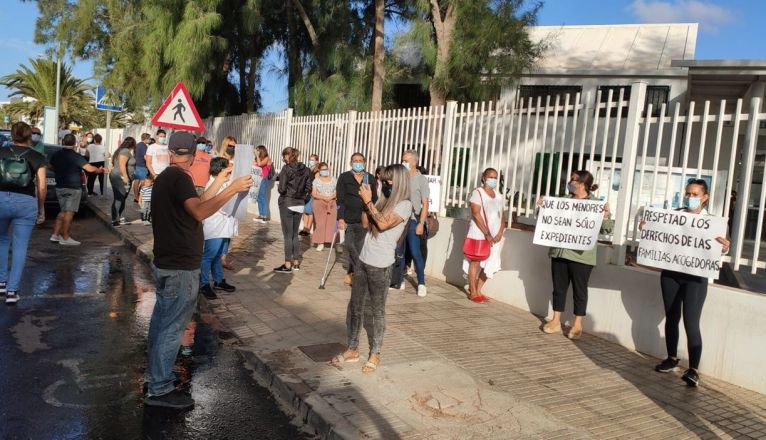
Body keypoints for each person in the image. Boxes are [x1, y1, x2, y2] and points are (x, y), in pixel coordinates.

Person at [145, 131, 252, 409]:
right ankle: (159, 389)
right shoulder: (179, 178)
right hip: (180, 266)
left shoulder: (167, 177)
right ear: (194, 155)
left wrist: (220, 179)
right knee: (172, 327)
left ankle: (155, 377)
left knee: (161, 323)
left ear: (171, 151)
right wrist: (232, 188)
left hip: (167, 262)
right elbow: (200, 212)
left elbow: (197, 202)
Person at [332, 164, 412, 373]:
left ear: (399, 182)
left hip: (381, 265)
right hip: (363, 260)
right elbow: (367, 224)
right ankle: (352, 348)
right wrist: (365, 203)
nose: (385, 184)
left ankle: (375, 353)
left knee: (377, 311)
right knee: (355, 307)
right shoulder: (382, 201)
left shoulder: (404, 205)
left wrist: (369, 202)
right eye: (383, 180)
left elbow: (384, 224)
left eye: (389, 181)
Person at [653, 179, 730, 387]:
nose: (691, 197)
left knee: (691, 321)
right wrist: (648, 228)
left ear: (705, 197)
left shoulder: (714, 223)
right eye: (688, 193)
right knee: (671, 316)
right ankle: (671, 358)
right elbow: (658, 236)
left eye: (695, 194)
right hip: (671, 273)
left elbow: (720, 249)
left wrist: (724, 247)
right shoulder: (674, 215)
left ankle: (694, 369)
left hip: (696, 278)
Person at [539, 170, 612, 340]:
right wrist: (543, 207)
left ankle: (577, 323)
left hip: (582, 257)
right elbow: (547, 221)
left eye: (573, 180)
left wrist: (606, 216)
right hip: (560, 252)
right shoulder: (563, 201)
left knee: (580, 290)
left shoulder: (596, 204)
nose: (570, 182)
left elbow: (607, 229)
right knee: (559, 288)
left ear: (582, 184)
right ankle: (556, 320)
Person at [0, 122, 47, 304]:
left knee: (2, 240)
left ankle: (1, 282)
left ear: (12, 135)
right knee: (20, 246)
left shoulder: (1, 152)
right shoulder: (37, 156)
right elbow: (42, 186)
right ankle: (12, 291)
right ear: (30, 136)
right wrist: (41, 207)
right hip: (26, 202)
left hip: (1, 198)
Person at [49, 134, 105, 245]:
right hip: (73, 188)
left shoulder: (56, 154)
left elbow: (50, 166)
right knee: (69, 213)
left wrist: (60, 171)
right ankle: (65, 238)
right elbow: (89, 168)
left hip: (60, 186)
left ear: (63, 142)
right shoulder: (75, 156)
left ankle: (55, 235)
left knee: (63, 211)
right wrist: (100, 170)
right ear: (75, 143)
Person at [463, 168, 506, 303]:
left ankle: (479, 289)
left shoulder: (498, 195)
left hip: (495, 236)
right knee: (475, 261)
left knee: (491, 262)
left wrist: (499, 232)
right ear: (483, 177)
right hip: (479, 233)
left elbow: (502, 215)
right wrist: (487, 233)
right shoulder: (478, 193)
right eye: (490, 177)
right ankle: (473, 291)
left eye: (495, 177)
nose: (493, 180)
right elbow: (476, 214)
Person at [199, 157, 239, 299]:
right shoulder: (213, 184)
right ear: (221, 170)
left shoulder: (224, 182)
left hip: (224, 227)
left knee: (217, 256)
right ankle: (203, 284)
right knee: (209, 256)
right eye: (227, 168)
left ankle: (218, 281)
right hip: (215, 227)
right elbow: (220, 205)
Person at [336, 153, 378, 286]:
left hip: (365, 218)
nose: (358, 163)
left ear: (364, 162)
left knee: (359, 247)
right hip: (349, 217)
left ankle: (354, 274)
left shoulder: (369, 178)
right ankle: (357, 271)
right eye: (355, 161)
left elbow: (375, 199)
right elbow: (340, 200)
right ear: (350, 163)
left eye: (360, 161)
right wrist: (340, 218)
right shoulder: (344, 177)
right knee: (349, 245)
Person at [274, 147, 312, 273]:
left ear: (287, 156)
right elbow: (309, 188)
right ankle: (296, 262)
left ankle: (287, 264)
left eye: (284, 156)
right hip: (300, 204)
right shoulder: (306, 170)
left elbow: (281, 189)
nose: (283, 158)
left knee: (287, 236)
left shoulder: (287, 168)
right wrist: (302, 199)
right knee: (295, 234)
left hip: (288, 202)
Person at [399, 150, 430, 297]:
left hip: (413, 219)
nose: (404, 162)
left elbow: (425, 203)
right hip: (398, 218)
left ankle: (421, 283)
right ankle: (399, 280)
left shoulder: (421, 179)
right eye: (403, 160)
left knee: (415, 251)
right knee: (399, 251)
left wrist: (421, 223)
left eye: (407, 160)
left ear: (414, 162)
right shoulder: (400, 176)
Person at [108, 137, 136, 226]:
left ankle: (121, 218)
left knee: (122, 197)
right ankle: (115, 220)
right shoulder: (125, 151)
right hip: (120, 177)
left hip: (120, 176)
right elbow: (122, 165)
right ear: (132, 144)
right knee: (119, 198)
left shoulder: (121, 150)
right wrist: (125, 177)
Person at [311, 162, 337, 251]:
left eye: (326, 169)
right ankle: (320, 242)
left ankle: (329, 240)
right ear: (319, 170)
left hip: (332, 203)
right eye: (323, 170)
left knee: (331, 223)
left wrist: (331, 197)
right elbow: (314, 193)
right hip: (319, 203)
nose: (325, 171)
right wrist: (324, 198)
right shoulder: (316, 181)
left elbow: (337, 191)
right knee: (320, 223)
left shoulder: (334, 179)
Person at [300, 154, 320, 236]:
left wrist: (313, 192)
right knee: (305, 211)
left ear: (317, 161)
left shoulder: (317, 172)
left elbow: (317, 183)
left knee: (310, 211)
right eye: (310, 160)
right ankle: (304, 227)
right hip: (306, 193)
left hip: (312, 193)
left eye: (313, 160)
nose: (311, 161)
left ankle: (308, 229)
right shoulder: (307, 169)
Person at [253, 145, 273, 223]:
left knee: (263, 197)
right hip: (258, 179)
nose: (256, 152)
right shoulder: (259, 158)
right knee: (258, 197)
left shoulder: (267, 158)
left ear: (261, 151)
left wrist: (257, 156)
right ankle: (261, 215)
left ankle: (264, 216)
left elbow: (260, 164)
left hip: (263, 179)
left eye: (258, 150)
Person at [133, 133, 151, 202]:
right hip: (142, 166)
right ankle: (139, 196)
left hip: (137, 165)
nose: (149, 140)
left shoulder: (137, 145)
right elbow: (145, 157)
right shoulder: (144, 146)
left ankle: (136, 196)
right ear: (146, 139)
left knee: (136, 181)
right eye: (149, 138)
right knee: (143, 182)